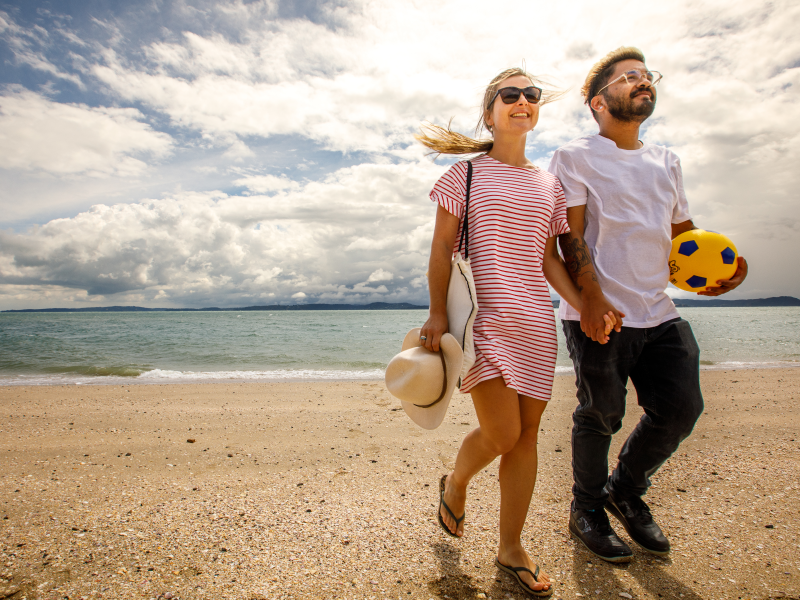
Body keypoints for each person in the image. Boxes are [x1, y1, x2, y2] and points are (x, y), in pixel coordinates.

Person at [549, 47, 748, 563]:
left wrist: (717, 273)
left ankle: (625, 489)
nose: (643, 82)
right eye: (629, 77)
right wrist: (591, 300)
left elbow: (684, 235)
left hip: (659, 310)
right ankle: (586, 507)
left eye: (646, 76)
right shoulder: (575, 157)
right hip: (601, 311)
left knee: (681, 408)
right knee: (601, 414)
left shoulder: (667, 161)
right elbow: (570, 237)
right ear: (598, 101)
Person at [417, 67, 605, 597]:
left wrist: (585, 306)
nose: (523, 101)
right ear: (490, 111)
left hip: (534, 322)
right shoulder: (465, 175)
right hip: (485, 320)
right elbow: (439, 252)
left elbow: (549, 261)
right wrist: (436, 312)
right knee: (500, 434)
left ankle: (511, 547)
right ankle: (455, 484)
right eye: (510, 94)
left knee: (525, 438)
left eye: (531, 95)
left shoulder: (550, 184)